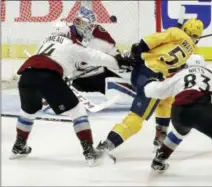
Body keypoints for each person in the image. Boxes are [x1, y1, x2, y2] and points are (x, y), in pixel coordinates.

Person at [10, 8, 133, 167]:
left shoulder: (47, 40)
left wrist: (63, 75)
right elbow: (96, 57)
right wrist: (119, 62)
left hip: (26, 77)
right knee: (78, 110)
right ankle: (90, 153)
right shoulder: (72, 46)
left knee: (27, 112)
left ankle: (19, 146)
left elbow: (48, 59)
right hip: (48, 78)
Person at [96, 18, 204, 157]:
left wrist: (135, 51)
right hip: (151, 79)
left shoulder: (176, 32)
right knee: (137, 117)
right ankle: (106, 146)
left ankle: (161, 136)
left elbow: (148, 41)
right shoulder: (192, 51)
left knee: (166, 97)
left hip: (143, 71)